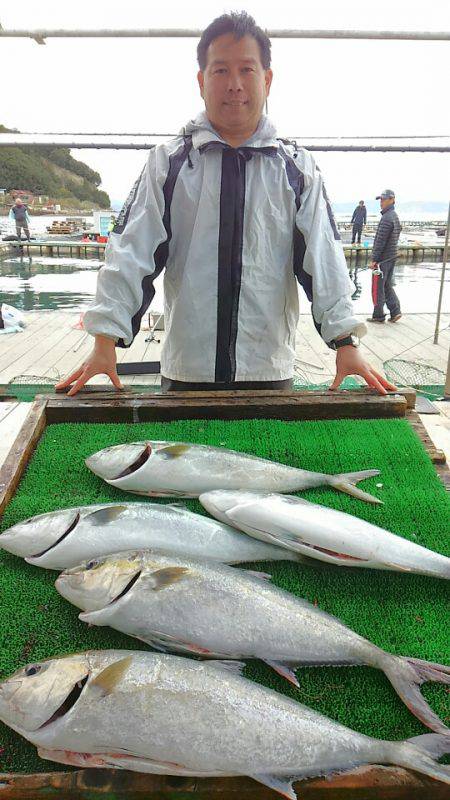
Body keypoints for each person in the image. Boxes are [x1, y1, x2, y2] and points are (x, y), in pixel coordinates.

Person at [56, 12, 396, 397]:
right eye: (220, 71)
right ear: (201, 82)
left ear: (267, 79)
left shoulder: (297, 169)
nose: (234, 85)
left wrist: (345, 342)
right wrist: (105, 340)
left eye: (246, 69)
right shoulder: (168, 164)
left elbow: (323, 257)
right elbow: (131, 252)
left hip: (269, 370)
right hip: (187, 371)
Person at [367, 190, 402, 324]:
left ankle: (378, 315)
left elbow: (380, 241)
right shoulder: (394, 216)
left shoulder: (387, 218)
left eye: (384, 199)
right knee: (387, 285)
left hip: (383, 260)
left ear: (392, 200)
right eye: (380, 199)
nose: (381, 202)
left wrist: (374, 260)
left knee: (378, 287)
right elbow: (397, 234)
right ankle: (395, 311)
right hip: (391, 256)